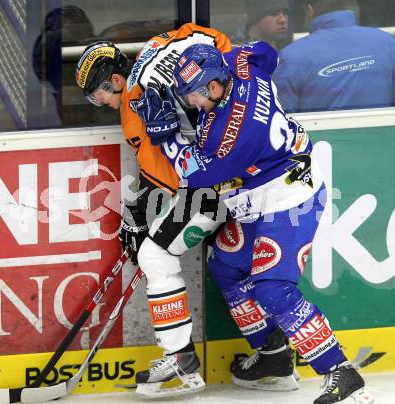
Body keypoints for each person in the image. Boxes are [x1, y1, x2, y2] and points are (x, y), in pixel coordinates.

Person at [138, 41, 373, 403]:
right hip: (259, 197)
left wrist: (167, 136)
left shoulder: (233, 135)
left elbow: (195, 174)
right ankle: (273, 359)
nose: (190, 104)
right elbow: (266, 52)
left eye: (193, 97)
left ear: (213, 87)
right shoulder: (240, 65)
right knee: (227, 268)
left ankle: (340, 372)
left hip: (289, 201)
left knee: (272, 288)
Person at [75, 23, 232, 398]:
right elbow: (202, 32)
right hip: (237, 173)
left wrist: (138, 214)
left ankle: (181, 362)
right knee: (238, 268)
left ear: (115, 78)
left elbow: (164, 177)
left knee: (153, 253)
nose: (101, 104)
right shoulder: (154, 56)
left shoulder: (132, 107)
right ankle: (273, 357)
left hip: (212, 189)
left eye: (98, 96)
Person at [273, 0, 395, 113]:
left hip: (320, 135)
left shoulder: (290, 57)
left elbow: (281, 119)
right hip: (383, 134)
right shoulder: (388, 42)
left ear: (309, 10)